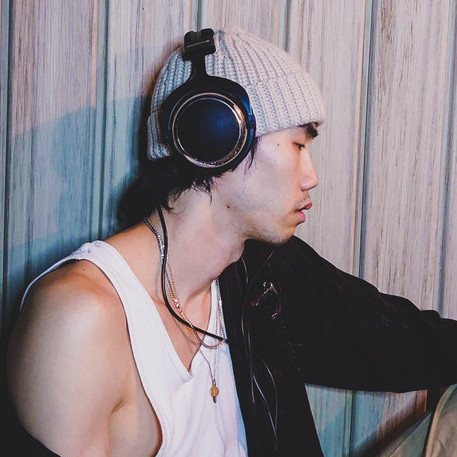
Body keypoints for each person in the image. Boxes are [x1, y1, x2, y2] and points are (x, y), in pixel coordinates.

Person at [6, 27, 457, 457]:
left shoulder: (259, 272)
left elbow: (399, 344)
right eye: (299, 145)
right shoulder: (80, 317)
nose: (312, 177)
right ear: (217, 136)